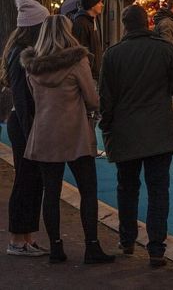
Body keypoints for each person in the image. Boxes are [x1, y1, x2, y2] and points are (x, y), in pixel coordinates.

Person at [99, 5, 173, 267]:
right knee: (158, 189)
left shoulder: (113, 55)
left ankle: (127, 239)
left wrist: (107, 126)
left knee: (127, 187)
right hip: (159, 130)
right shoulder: (163, 49)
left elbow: (105, 97)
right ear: (147, 23)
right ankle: (156, 248)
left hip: (125, 130)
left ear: (125, 25)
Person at [20, 15, 113, 264]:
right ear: (67, 33)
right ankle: (91, 247)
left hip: (45, 134)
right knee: (88, 190)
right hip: (75, 135)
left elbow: (33, 99)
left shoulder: (32, 66)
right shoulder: (77, 61)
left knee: (50, 192)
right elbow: (93, 99)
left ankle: (56, 248)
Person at [2, 0, 48, 257]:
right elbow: (21, 98)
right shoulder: (22, 55)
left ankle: (25, 237)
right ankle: (18, 239)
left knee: (30, 180)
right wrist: (31, 131)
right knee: (26, 181)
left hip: (23, 124)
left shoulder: (18, 51)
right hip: (25, 126)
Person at [71, 0, 104, 81]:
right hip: (88, 74)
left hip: (95, 73)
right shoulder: (81, 23)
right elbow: (80, 49)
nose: (102, 5)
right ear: (92, 5)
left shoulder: (92, 20)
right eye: (99, 2)